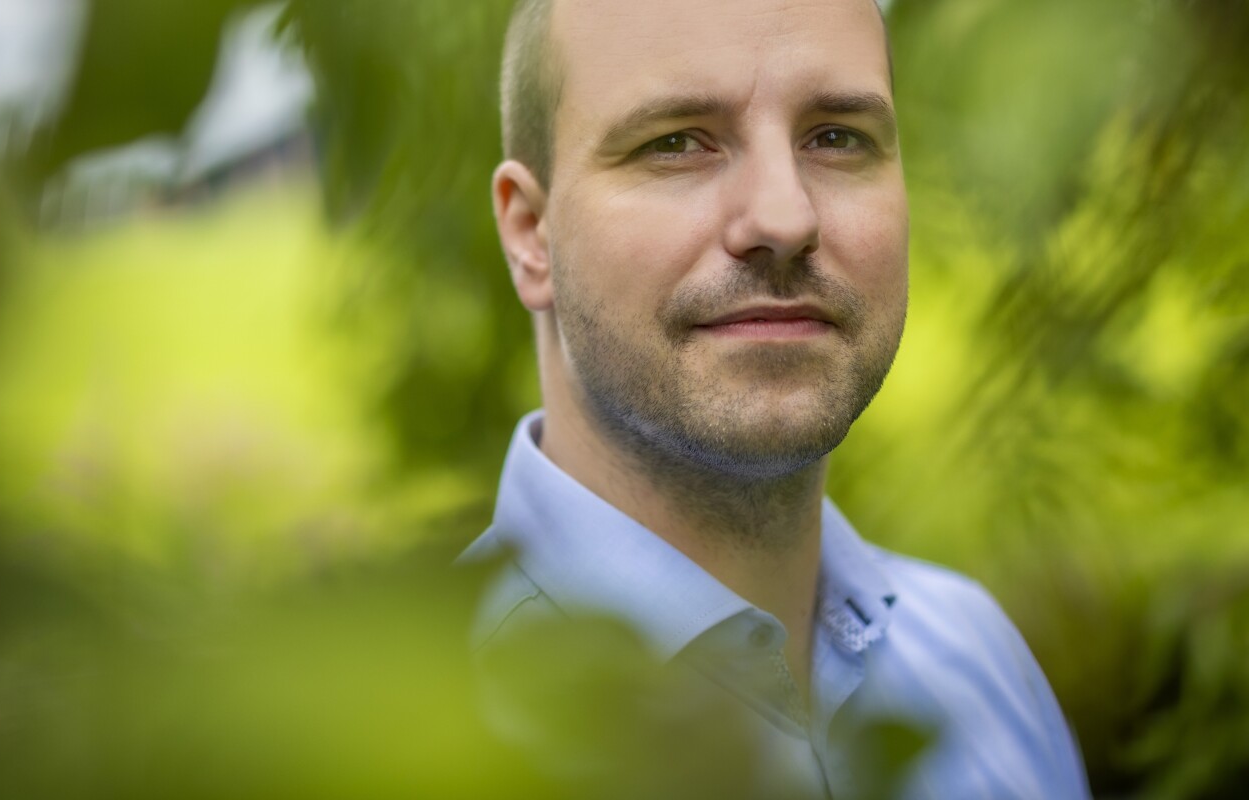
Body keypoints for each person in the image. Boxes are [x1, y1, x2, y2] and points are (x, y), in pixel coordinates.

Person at [458, 0, 1091, 795]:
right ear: (530, 234)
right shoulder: (408, 741)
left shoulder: (982, 669)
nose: (785, 218)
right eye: (676, 143)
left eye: (836, 137)